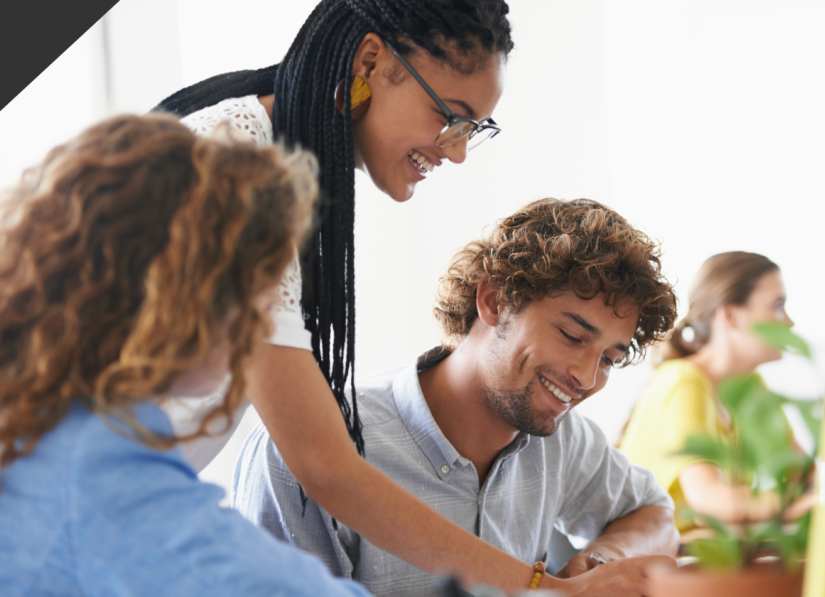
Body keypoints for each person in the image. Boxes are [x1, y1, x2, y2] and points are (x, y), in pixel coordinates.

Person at [155, 2, 607, 593]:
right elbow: (324, 467)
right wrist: (544, 588)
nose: (457, 150)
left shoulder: (273, 165)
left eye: (473, 129)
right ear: (370, 59)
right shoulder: (235, 169)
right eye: (450, 116)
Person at [0, 114, 375, 596]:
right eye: (252, 294)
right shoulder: (95, 459)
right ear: (175, 288)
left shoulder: (8, 411)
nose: (260, 324)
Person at [234, 198, 682, 596]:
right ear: (493, 300)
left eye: (608, 358)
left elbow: (654, 514)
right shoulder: (311, 444)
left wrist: (599, 566)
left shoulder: (561, 441)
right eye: (570, 335)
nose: (587, 377)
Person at [619, 251, 815, 536]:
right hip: (654, 560)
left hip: (701, 554)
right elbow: (709, 502)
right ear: (731, 315)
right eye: (777, 305)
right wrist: (796, 505)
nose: (789, 322)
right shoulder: (683, 382)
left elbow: (804, 475)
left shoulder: (750, 388)